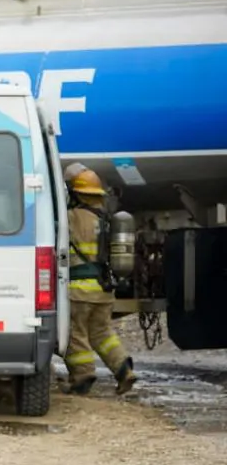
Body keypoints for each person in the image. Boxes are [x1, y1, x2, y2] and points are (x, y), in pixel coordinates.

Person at [62, 163, 138, 395]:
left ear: (74, 193)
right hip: (103, 289)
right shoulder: (106, 219)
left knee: (74, 333)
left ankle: (83, 376)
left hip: (78, 289)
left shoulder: (70, 217)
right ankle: (124, 370)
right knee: (103, 334)